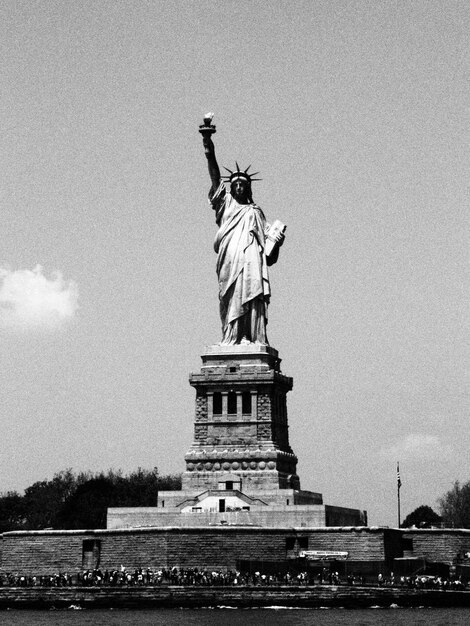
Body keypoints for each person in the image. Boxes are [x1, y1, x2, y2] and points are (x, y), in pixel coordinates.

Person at [201, 126, 284, 345]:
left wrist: (277, 241)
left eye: (242, 185)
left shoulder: (255, 212)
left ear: (247, 188)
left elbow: (269, 248)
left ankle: (251, 336)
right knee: (230, 297)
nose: (238, 187)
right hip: (230, 258)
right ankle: (231, 336)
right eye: (235, 184)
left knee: (252, 294)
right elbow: (214, 176)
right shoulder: (225, 204)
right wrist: (208, 147)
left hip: (252, 261)